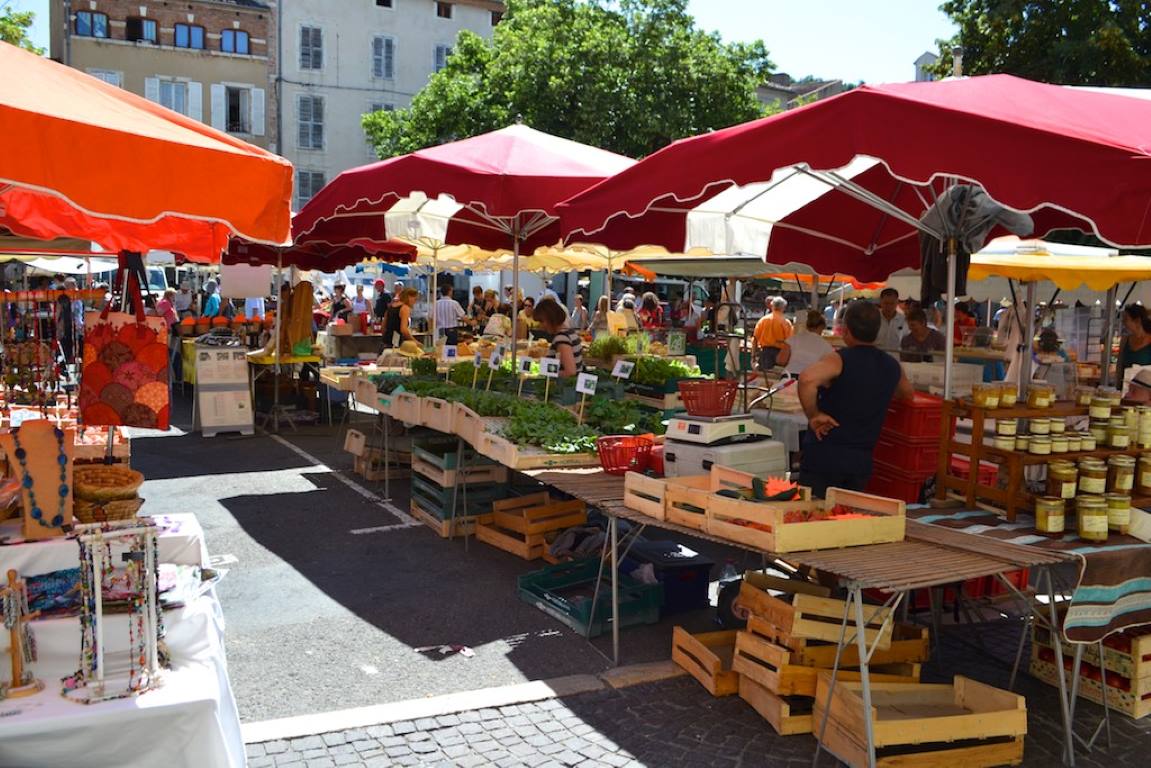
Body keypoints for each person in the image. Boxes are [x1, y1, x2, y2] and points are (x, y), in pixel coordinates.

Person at [798, 301, 914, 498]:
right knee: (848, 517)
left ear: (845, 331)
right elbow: (907, 394)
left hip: (825, 454)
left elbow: (807, 379)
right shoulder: (891, 365)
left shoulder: (839, 360)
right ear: (877, 331)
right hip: (861, 458)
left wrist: (814, 414)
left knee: (812, 515)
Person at [533, 298, 583, 377]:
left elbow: (570, 372)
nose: (541, 326)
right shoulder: (570, 332)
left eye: (542, 321)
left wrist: (545, 372)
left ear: (551, 318)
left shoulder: (561, 338)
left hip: (565, 387)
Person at [779, 311, 834, 376]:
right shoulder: (826, 346)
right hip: (810, 378)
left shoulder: (794, 338)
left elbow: (781, 360)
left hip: (789, 375)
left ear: (807, 326)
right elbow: (828, 368)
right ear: (822, 327)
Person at [752, 297, 792, 371]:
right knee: (777, 377)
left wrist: (753, 356)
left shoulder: (763, 320)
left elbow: (755, 339)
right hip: (780, 354)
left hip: (765, 353)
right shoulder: (786, 322)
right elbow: (790, 342)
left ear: (772, 306)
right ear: (783, 308)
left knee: (764, 378)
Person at [1119, 304, 1151, 382]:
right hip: (1126, 386)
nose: (1123, 322)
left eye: (1126, 319)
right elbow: (1119, 367)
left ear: (1137, 321)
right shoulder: (1125, 340)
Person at [875, 288, 908, 352]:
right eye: (886, 303)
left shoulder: (904, 320)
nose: (889, 307)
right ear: (880, 301)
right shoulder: (873, 318)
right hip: (876, 356)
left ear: (897, 302)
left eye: (892, 303)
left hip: (896, 357)